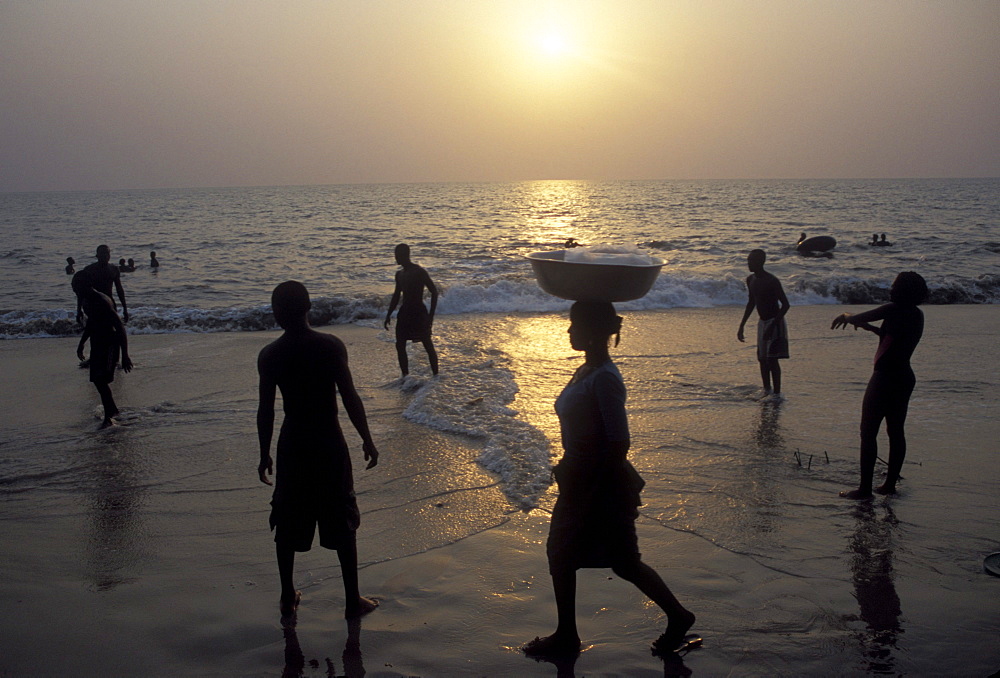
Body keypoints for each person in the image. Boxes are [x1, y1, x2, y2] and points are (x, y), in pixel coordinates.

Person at [524, 301, 695, 658]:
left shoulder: (605, 379)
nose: (568, 332)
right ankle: (567, 634)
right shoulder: (586, 371)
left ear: (594, 330)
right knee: (564, 553)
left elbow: (619, 441)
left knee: (619, 560)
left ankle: (678, 616)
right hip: (581, 479)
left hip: (600, 484)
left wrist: (594, 490)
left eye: (574, 325)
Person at [257, 281, 381, 619]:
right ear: (309, 307)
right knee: (341, 515)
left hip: (293, 443)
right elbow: (350, 397)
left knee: (287, 517)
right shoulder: (329, 346)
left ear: (276, 313)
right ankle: (352, 599)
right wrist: (366, 439)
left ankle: (287, 595)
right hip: (328, 442)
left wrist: (263, 452)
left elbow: (265, 409)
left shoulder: (271, 355)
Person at [831, 272, 927, 499]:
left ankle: (865, 489)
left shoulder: (891, 309)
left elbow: (856, 317)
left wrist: (846, 315)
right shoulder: (916, 314)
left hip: (884, 377)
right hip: (904, 376)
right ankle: (889, 485)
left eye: (894, 286)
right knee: (895, 431)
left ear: (902, 291)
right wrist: (871, 329)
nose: (890, 289)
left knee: (868, 432)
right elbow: (892, 337)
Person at [72, 271, 133, 427]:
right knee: (96, 380)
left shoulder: (102, 300)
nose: (73, 290)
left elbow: (120, 328)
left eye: (75, 286)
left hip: (110, 343)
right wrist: (82, 343)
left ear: (85, 285)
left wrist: (125, 355)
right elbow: (91, 323)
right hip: (97, 342)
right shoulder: (87, 300)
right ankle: (112, 410)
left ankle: (109, 418)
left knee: (101, 380)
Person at [737, 249, 790, 397]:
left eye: (751, 261)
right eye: (748, 260)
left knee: (772, 360)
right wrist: (742, 325)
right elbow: (751, 302)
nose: (749, 264)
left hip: (775, 321)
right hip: (762, 321)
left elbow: (785, 305)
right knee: (762, 358)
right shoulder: (751, 280)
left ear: (761, 262)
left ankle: (777, 394)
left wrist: (772, 326)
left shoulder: (772, 281)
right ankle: (767, 390)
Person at [383, 243, 439, 377]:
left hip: (418, 313)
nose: (395, 258)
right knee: (400, 345)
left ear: (404, 255)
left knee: (427, 344)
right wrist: (388, 314)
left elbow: (434, 292)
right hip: (404, 313)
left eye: (397, 255)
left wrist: (430, 316)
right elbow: (397, 295)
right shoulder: (400, 274)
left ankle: (436, 376)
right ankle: (405, 376)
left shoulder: (419, 271)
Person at [77, 245, 129, 325]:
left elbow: (119, 289)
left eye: (107, 253)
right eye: (102, 253)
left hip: (109, 303)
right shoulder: (89, 270)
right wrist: (79, 310)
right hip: (93, 304)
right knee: (95, 330)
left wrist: (125, 308)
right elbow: (82, 291)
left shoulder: (114, 269)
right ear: (97, 256)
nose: (105, 256)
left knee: (113, 329)